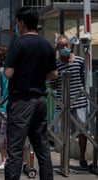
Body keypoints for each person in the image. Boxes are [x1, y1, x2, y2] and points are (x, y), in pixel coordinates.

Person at [4, 7, 58, 180]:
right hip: (40, 99)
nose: (16, 26)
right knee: (42, 146)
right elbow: (54, 74)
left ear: (22, 23)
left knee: (15, 148)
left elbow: (8, 73)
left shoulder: (18, 43)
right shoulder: (47, 44)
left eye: (17, 22)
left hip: (21, 100)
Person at [50, 35, 89, 170]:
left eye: (66, 45)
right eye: (61, 47)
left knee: (82, 130)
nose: (65, 48)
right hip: (62, 102)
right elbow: (52, 85)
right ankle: (64, 159)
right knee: (62, 132)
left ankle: (82, 158)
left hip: (79, 102)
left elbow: (85, 80)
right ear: (58, 49)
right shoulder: (55, 64)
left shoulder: (79, 61)